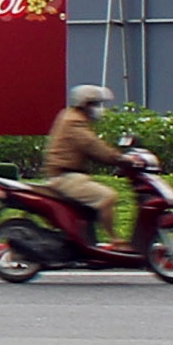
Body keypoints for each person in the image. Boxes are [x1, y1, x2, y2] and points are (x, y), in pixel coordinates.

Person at [40, 83, 126, 243]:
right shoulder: (74, 122)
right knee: (107, 197)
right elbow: (93, 146)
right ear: (84, 104)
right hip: (66, 177)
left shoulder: (70, 116)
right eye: (95, 104)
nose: (99, 109)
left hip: (70, 175)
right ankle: (115, 240)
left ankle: (89, 240)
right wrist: (119, 158)